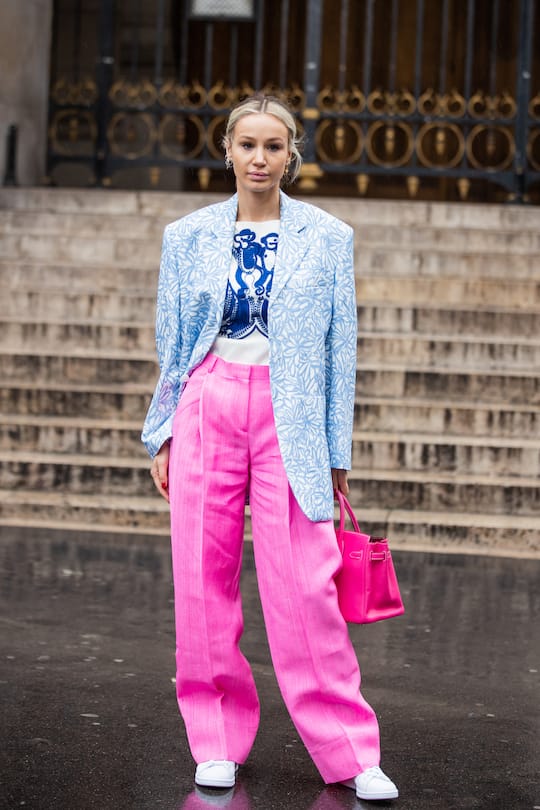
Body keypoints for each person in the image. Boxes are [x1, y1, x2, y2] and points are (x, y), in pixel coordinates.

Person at [142, 94, 398, 802]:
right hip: (206, 403)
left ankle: (350, 749)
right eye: (247, 144)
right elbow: (172, 344)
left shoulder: (329, 236)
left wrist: (336, 450)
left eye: (274, 146)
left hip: (290, 416)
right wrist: (162, 431)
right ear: (226, 149)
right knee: (201, 579)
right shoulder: (185, 236)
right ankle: (215, 739)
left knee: (303, 588)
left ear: (293, 154)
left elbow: (338, 351)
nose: (260, 158)